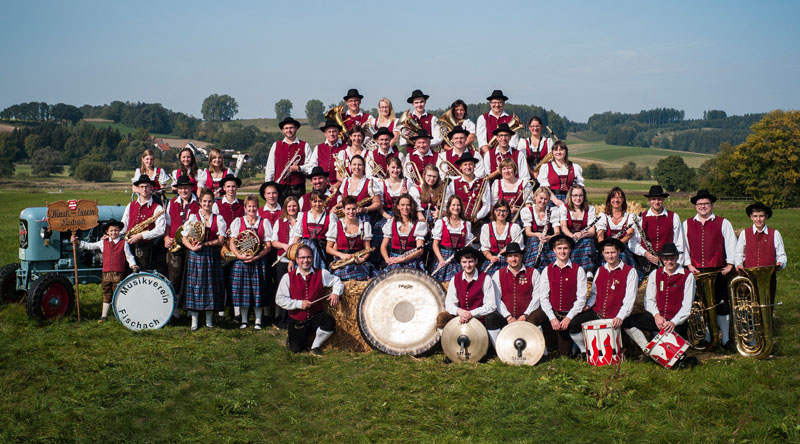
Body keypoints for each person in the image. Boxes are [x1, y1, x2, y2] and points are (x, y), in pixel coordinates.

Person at [624, 243, 697, 368]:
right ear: (662, 259)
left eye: (672, 258)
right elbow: (649, 300)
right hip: (658, 318)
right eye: (666, 259)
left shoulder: (688, 276)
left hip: (676, 322)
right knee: (627, 322)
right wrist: (656, 315)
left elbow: (686, 306)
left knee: (673, 362)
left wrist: (673, 322)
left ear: (677, 258)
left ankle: (672, 355)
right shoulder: (655, 274)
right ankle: (647, 350)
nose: (669, 261)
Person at [682, 189, 737, 351]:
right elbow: (684, 247)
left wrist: (730, 264)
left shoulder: (723, 222)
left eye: (706, 204)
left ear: (712, 205)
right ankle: (707, 337)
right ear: (695, 206)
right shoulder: (687, 224)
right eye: (700, 204)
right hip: (696, 270)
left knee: (722, 304)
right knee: (700, 305)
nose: (703, 207)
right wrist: (689, 265)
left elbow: (731, 244)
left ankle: (725, 339)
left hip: (718, 270)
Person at [567, 238, 638, 357]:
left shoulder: (630, 272)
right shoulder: (600, 270)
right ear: (603, 254)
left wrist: (620, 317)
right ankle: (585, 351)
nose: (610, 256)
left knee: (620, 345)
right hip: (597, 312)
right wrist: (589, 305)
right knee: (574, 324)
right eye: (607, 253)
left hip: (615, 314)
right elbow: (594, 294)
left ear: (618, 251)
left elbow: (629, 299)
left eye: (613, 252)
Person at [275, 244, 344, 355]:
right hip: (297, 319)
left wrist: (336, 293)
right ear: (297, 259)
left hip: (315, 316)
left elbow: (337, 281)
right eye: (302, 258)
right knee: (297, 350)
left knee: (329, 322)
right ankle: (293, 338)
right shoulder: (287, 277)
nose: (305, 260)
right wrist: (298, 304)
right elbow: (279, 299)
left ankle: (315, 346)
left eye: (308, 257)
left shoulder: (321, 273)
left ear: (312, 258)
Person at [527, 234, 588, 357]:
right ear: (554, 250)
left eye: (565, 248)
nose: (562, 251)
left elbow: (581, 299)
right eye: (559, 248)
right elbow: (543, 297)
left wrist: (569, 317)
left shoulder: (579, 270)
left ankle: (575, 347)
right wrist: (551, 317)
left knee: (564, 354)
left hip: (568, 313)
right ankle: (540, 351)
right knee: (533, 319)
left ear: (570, 249)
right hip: (552, 310)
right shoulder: (547, 270)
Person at [72, 220, 138, 322]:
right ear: (107, 232)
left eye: (116, 230)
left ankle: (121, 316)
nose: (113, 233)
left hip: (118, 273)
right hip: (106, 274)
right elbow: (90, 246)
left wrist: (133, 265)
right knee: (106, 293)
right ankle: (104, 316)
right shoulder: (103, 243)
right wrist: (77, 242)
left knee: (119, 293)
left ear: (119, 231)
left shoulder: (123, 243)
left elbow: (129, 256)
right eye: (111, 231)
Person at [181, 188, 226, 331]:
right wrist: (191, 248)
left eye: (210, 201)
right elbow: (183, 237)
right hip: (196, 255)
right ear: (200, 202)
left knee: (210, 287)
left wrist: (205, 244)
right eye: (204, 201)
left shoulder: (218, 218)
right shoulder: (193, 217)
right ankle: (194, 320)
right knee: (195, 287)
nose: (207, 204)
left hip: (211, 255)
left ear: (213, 202)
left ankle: (209, 320)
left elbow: (220, 240)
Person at [228, 195, 273, 330]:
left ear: (257, 207)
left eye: (254, 206)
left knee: (258, 291)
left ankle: (258, 321)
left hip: (258, 261)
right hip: (242, 261)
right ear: (245, 208)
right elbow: (232, 242)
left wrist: (257, 256)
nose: (252, 209)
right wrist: (239, 256)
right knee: (243, 291)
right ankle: (244, 320)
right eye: (249, 207)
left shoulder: (264, 222)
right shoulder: (238, 221)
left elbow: (268, 245)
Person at [484, 243, 541, 347]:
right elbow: (496, 298)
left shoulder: (533, 273)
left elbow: (537, 297)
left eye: (516, 256)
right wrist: (508, 317)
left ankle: (538, 348)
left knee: (539, 316)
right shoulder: (498, 274)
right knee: (491, 318)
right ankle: (500, 349)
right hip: (506, 318)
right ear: (506, 259)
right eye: (510, 256)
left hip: (528, 316)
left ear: (521, 256)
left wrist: (525, 315)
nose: (513, 259)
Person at [435, 247, 497, 335]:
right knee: (442, 317)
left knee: (492, 317)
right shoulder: (455, 279)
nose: (467, 265)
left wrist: (470, 314)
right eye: (464, 262)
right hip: (460, 318)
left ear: (476, 261)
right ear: (460, 262)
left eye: (470, 261)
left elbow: (491, 305)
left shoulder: (485, 278)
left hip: (479, 319)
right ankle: (446, 344)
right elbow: (449, 303)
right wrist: (459, 311)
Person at [163, 175, 199, 320]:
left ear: (191, 188)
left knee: (192, 277)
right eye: (181, 188)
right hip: (174, 246)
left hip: (192, 245)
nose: (184, 190)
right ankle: (175, 309)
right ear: (177, 189)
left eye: (186, 188)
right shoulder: (171, 203)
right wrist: (166, 237)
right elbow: (167, 223)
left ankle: (191, 309)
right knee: (174, 278)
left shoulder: (198, 203)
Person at [631, 185, 686, 270]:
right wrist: (645, 253)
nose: (656, 202)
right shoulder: (641, 218)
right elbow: (633, 242)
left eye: (659, 199)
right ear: (649, 200)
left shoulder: (674, 217)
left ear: (663, 199)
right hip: (645, 262)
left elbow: (679, 243)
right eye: (653, 199)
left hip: (668, 263)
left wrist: (678, 265)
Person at [375, 157, 421, 253]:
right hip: (387, 214)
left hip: (405, 213)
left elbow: (412, 203)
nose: (395, 170)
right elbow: (380, 208)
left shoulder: (407, 182)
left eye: (398, 168)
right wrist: (389, 217)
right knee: (378, 227)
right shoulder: (382, 184)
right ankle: (383, 257)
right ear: (387, 167)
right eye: (393, 167)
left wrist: (406, 194)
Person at [122, 174, 166, 271]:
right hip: (129, 245)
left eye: (147, 186)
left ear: (151, 188)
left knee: (143, 274)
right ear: (138, 188)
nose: (144, 189)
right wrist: (111, 235)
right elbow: (123, 226)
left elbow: (161, 229)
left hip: (146, 247)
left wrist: (141, 236)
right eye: (142, 187)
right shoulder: (131, 205)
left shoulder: (157, 207)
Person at [326, 196, 376, 281]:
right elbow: (328, 248)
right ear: (343, 210)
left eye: (353, 209)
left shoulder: (364, 225)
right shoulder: (336, 225)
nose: (351, 212)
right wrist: (342, 255)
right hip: (342, 261)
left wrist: (362, 259)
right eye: (348, 209)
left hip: (358, 261)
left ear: (357, 209)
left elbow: (368, 248)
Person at [264, 116, 312, 201]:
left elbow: (311, 166)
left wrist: (299, 168)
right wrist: (268, 185)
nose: (288, 130)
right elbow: (270, 167)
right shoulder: (276, 145)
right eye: (286, 128)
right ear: (283, 130)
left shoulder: (305, 145)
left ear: (296, 128)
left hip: (298, 186)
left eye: (291, 128)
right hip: (280, 186)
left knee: (297, 211)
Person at [270, 196, 300, 328]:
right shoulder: (280, 221)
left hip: (298, 260)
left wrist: (292, 258)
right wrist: (283, 245)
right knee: (283, 290)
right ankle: (282, 318)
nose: (292, 208)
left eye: (294, 206)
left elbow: (300, 241)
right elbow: (273, 241)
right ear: (285, 208)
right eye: (289, 206)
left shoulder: (302, 220)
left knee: (295, 290)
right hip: (281, 260)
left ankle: (294, 318)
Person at [290, 190, 337, 270]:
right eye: (315, 201)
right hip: (304, 250)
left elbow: (334, 239)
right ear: (310, 202)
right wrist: (292, 259)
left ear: (324, 201)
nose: (317, 204)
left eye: (320, 201)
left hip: (322, 252)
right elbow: (297, 237)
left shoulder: (330, 217)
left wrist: (334, 257)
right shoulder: (303, 215)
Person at [431, 195, 474, 282]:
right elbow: (435, 245)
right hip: (444, 258)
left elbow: (468, 245)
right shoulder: (441, 222)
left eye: (458, 205)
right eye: (453, 205)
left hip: (460, 259)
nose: (456, 207)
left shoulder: (466, 224)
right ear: (449, 207)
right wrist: (441, 259)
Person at [735, 201, 787, 273]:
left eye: (761, 216)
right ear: (751, 217)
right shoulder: (744, 233)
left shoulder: (775, 234)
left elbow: (781, 254)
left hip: (768, 276)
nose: (758, 219)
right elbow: (739, 254)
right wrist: (738, 264)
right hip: (749, 275)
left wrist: (780, 262)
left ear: (766, 216)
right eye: (755, 216)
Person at [380, 194, 427, 271]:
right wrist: (387, 259)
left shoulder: (418, 225)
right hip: (394, 259)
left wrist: (403, 259)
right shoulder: (391, 223)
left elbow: (420, 250)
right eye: (402, 205)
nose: (405, 208)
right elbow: (383, 246)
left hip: (411, 260)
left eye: (408, 205)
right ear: (398, 206)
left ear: (411, 207)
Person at [559, 185, 598, 278]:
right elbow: (563, 227)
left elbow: (592, 231)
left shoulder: (590, 209)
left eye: (580, 195)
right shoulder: (564, 208)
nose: (578, 198)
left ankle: (589, 269)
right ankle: (573, 269)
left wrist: (582, 234)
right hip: (569, 235)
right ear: (570, 196)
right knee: (567, 244)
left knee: (588, 241)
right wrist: (572, 236)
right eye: (575, 195)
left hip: (584, 236)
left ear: (584, 196)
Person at [596, 187, 637, 271]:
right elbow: (600, 235)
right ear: (609, 200)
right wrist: (605, 247)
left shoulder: (630, 216)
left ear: (623, 200)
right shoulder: (603, 216)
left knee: (623, 261)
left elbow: (629, 234)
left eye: (619, 197)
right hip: (607, 246)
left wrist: (617, 245)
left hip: (622, 247)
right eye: (613, 197)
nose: (616, 200)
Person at [334, 155, 382, 223]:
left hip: (364, 218)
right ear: (350, 166)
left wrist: (365, 209)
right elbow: (343, 202)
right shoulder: (346, 181)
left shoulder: (370, 182)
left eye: (359, 165)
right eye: (354, 164)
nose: (356, 167)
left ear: (363, 167)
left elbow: (377, 203)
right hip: (347, 217)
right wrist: (335, 207)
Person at [520, 187, 560, 271]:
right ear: (535, 197)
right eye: (541, 198)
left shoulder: (552, 211)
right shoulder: (527, 211)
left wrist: (550, 237)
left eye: (546, 199)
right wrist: (537, 234)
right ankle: (532, 269)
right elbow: (528, 232)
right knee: (535, 242)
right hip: (533, 240)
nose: (543, 201)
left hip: (547, 239)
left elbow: (557, 232)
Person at [480, 200, 523, 276]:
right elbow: (485, 249)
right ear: (494, 211)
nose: (501, 213)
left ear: (508, 212)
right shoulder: (486, 227)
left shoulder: (514, 227)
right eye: (498, 210)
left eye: (504, 211)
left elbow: (519, 248)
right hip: (492, 261)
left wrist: (508, 251)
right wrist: (491, 258)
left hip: (510, 262)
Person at [444, 153, 491, 223]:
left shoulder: (483, 182)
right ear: (460, 167)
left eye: (470, 164)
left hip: (477, 222)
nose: (468, 167)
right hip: (459, 221)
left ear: (475, 165)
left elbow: (486, 205)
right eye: (465, 164)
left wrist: (476, 217)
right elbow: (449, 203)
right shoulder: (453, 183)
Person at [536, 141, 583, 208]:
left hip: (571, 200)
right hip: (551, 199)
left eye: (561, 150)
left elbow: (579, 187)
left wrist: (571, 198)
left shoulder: (575, 167)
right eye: (556, 150)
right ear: (552, 152)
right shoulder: (546, 167)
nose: (558, 152)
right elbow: (545, 188)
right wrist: (556, 201)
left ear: (566, 151)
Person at [307, 119, 348, 185]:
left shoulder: (346, 148)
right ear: (325, 133)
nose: (331, 134)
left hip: (340, 185)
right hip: (321, 185)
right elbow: (311, 166)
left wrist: (338, 184)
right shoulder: (318, 148)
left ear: (338, 132)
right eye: (329, 131)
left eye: (334, 131)